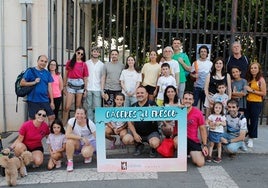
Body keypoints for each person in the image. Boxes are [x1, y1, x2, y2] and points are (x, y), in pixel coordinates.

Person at [20, 55, 55, 124]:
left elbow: (50, 88)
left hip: (44, 99)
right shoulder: (30, 71)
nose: (43, 63)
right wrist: (34, 82)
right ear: (37, 61)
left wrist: (52, 102)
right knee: (32, 119)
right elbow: (22, 83)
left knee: (51, 117)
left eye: (45, 62)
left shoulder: (47, 73)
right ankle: (33, 134)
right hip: (33, 100)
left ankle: (49, 134)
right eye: (41, 61)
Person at [128, 86, 160, 158]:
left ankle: (153, 149)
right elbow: (129, 122)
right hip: (138, 133)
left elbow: (163, 115)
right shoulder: (133, 107)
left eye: (142, 93)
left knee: (154, 143)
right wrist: (135, 134)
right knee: (126, 139)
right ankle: (139, 145)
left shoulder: (153, 104)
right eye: (138, 93)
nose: (140, 94)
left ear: (146, 94)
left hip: (152, 133)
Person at [181, 91, 208, 167]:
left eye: (190, 99)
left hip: (192, 140)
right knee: (177, 141)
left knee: (200, 163)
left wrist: (205, 145)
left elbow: (202, 129)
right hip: (180, 138)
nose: (188, 101)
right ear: (182, 100)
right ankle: (182, 154)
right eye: (186, 99)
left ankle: (189, 152)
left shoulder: (198, 113)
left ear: (193, 101)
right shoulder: (178, 110)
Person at [63, 47, 89, 126]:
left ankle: (75, 124)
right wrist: (64, 86)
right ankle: (64, 125)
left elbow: (85, 77)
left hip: (80, 85)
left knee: (77, 107)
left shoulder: (84, 64)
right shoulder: (69, 62)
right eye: (78, 53)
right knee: (67, 107)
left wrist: (85, 89)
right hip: (70, 84)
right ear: (75, 52)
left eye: (82, 54)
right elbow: (66, 74)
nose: (80, 55)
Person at [65, 107, 96, 172]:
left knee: (86, 153)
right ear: (75, 114)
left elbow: (97, 137)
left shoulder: (90, 123)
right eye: (77, 113)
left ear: (85, 115)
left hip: (89, 142)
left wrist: (93, 147)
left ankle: (88, 155)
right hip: (79, 142)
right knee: (69, 141)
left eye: (81, 114)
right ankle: (70, 162)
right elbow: (67, 135)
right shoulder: (71, 121)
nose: (79, 116)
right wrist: (81, 138)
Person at [244, 61, 266, 148]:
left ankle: (251, 138)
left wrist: (252, 90)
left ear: (258, 69)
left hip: (256, 103)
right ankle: (249, 133)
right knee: (245, 119)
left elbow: (264, 93)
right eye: (252, 68)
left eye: (255, 68)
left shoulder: (261, 79)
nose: (253, 69)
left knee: (254, 120)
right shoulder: (249, 78)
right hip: (248, 101)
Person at [85, 47, 104, 121]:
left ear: (99, 54)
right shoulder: (87, 63)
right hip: (88, 88)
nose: (95, 53)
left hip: (97, 88)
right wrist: (85, 88)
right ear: (91, 52)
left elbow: (102, 77)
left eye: (97, 52)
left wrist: (102, 90)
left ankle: (97, 123)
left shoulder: (102, 65)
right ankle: (90, 122)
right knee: (89, 106)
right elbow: (85, 76)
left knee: (97, 107)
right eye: (94, 51)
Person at [162, 85, 180, 150]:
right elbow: (163, 118)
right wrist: (166, 124)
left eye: (172, 91)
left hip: (178, 127)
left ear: (175, 92)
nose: (170, 93)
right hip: (168, 127)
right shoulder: (164, 105)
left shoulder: (179, 103)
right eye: (168, 92)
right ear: (166, 94)